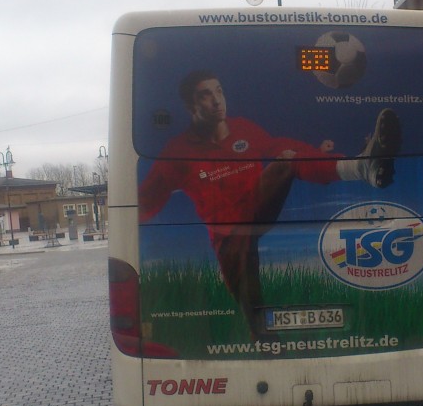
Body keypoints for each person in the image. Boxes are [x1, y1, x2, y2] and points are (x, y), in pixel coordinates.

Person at [139, 69, 402, 338]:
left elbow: (279, 146)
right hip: (228, 235)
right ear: (190, 105)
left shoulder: (243, 128)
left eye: (219, 90)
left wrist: (316, 155)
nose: (217, 100)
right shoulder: (177, 152)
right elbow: (143, 201)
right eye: (205, 95)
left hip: (257, 204)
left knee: (287, 160)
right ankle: (267, 342)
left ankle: (360, 166)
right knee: (255, 317)